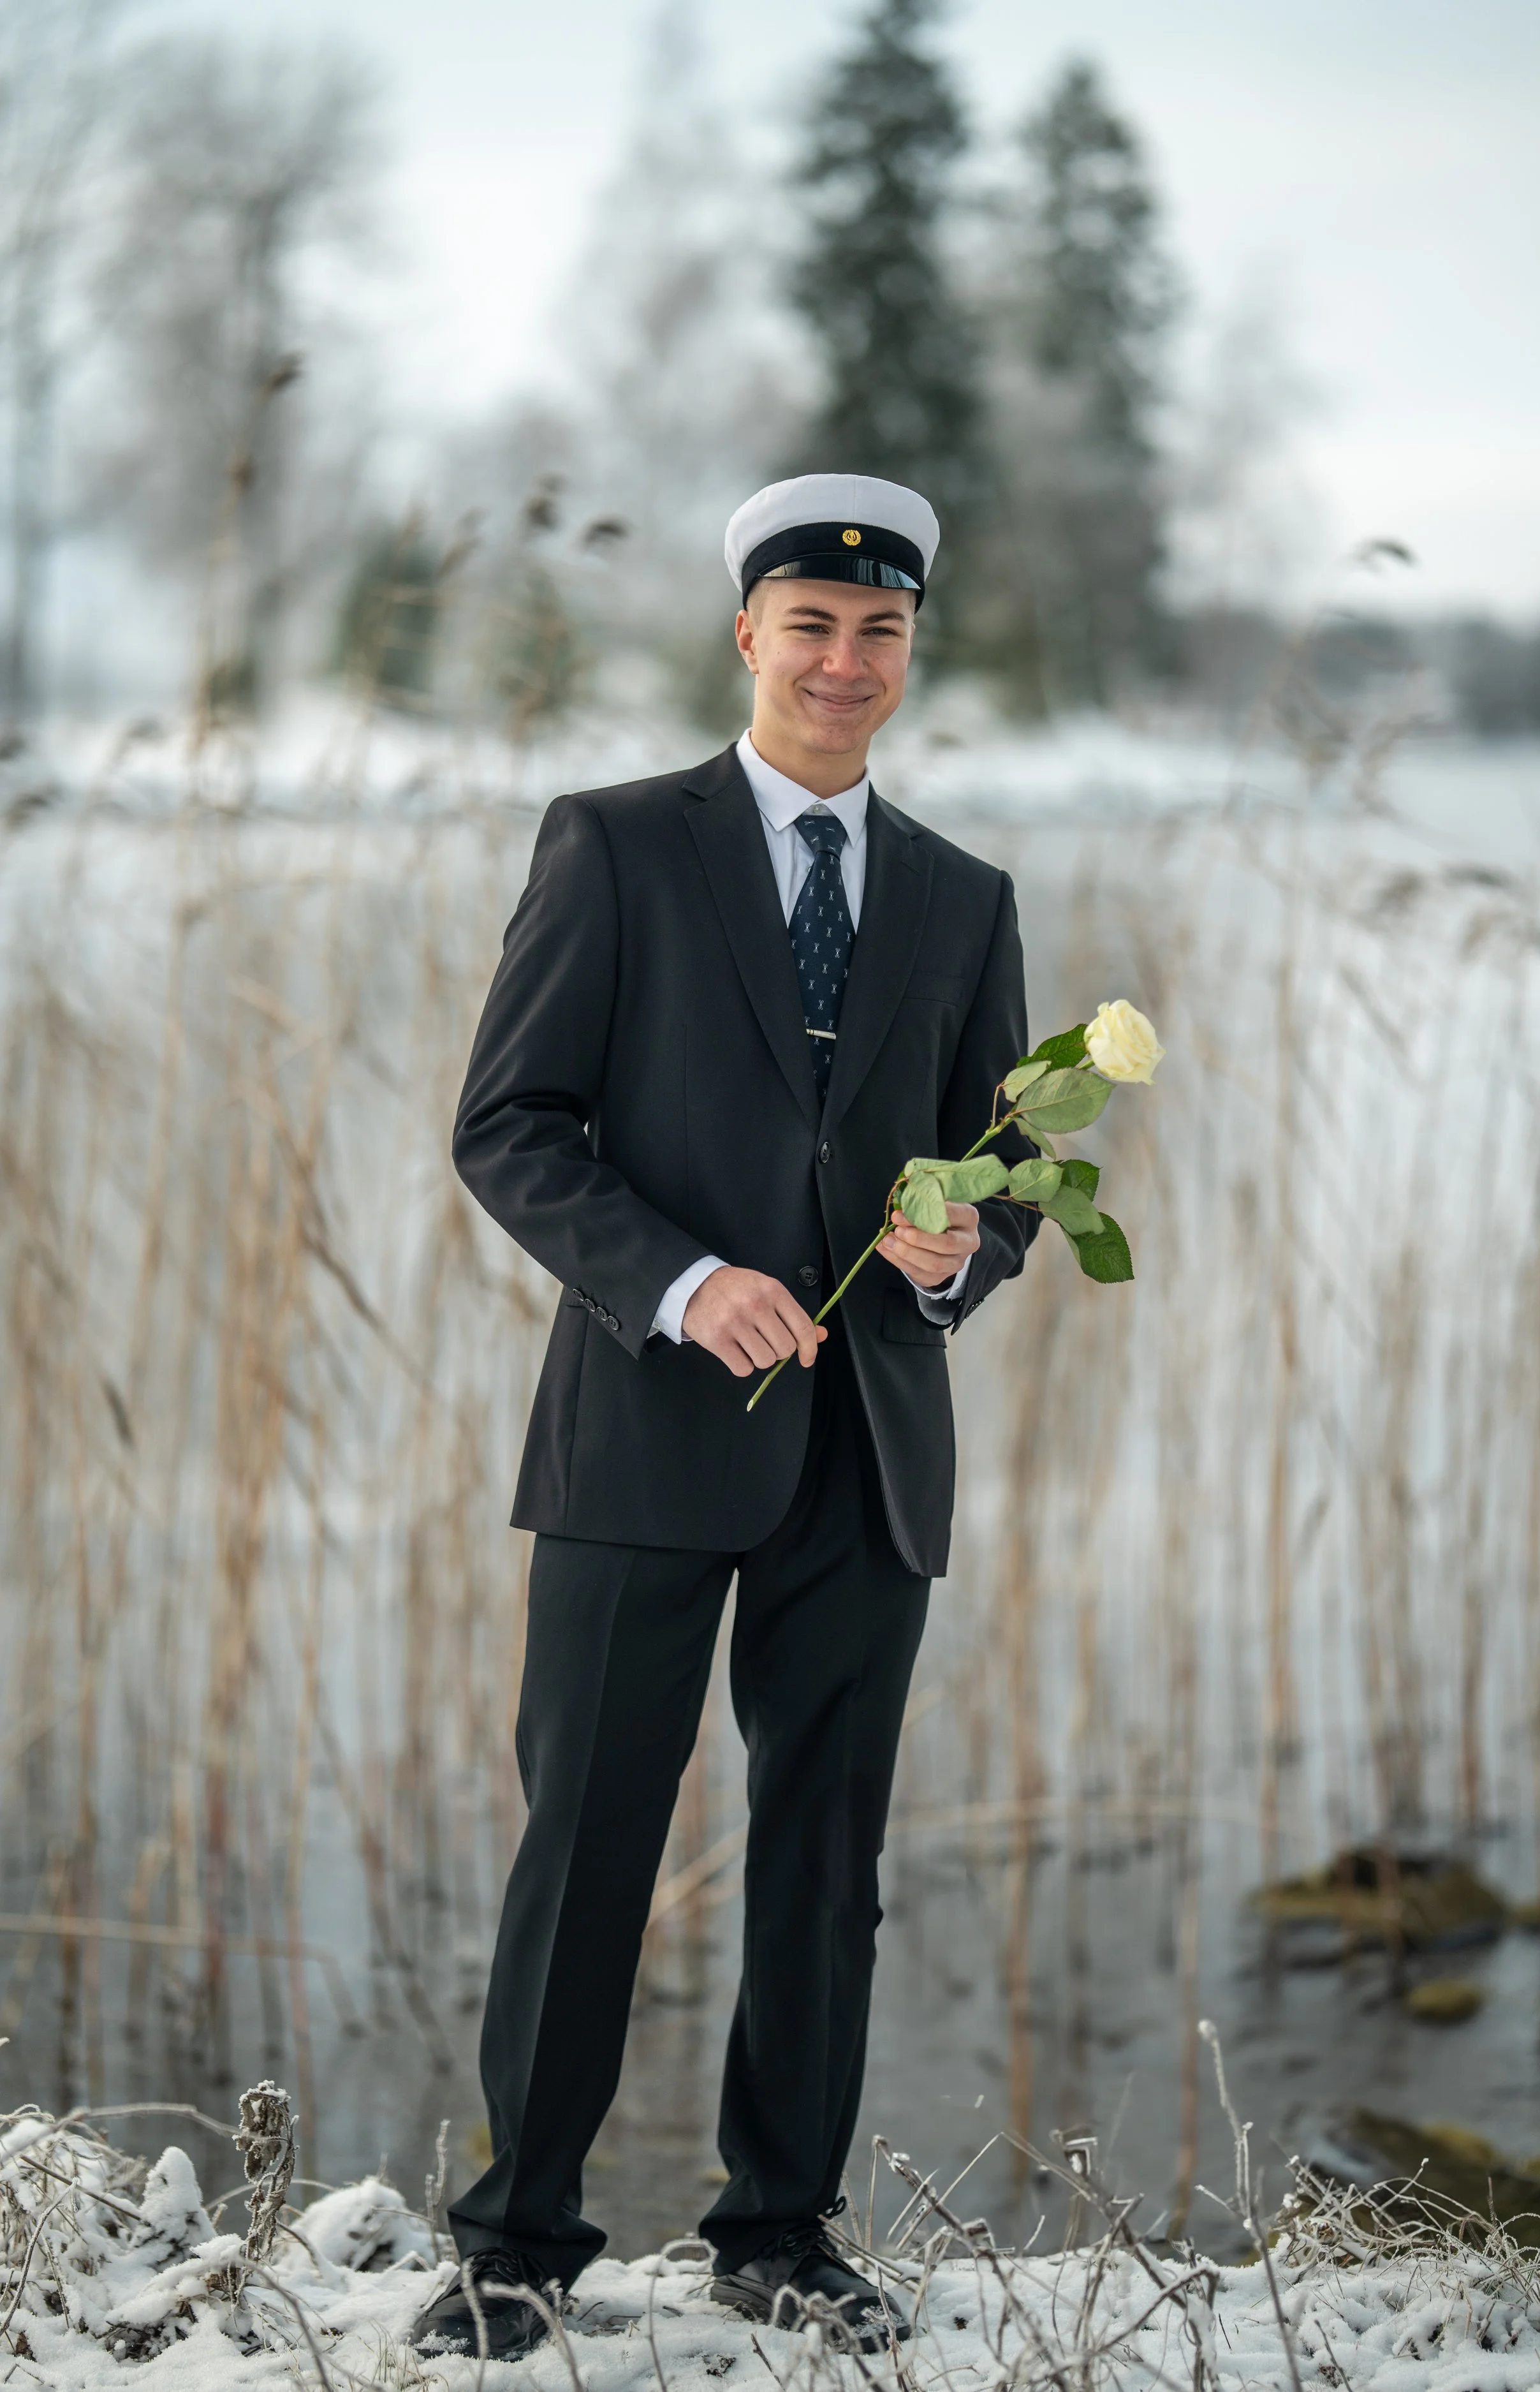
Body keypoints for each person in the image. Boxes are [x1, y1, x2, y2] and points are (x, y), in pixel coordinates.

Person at [412, 473, 1037, 2361]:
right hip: (643, 1439)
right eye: (811, 625)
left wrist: (949, 1250)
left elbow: (1001, 1176)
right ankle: (517, 2239)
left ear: (909, 652)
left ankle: (778, 2229)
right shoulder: (613, 845)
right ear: (746, 635)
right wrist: (681, 1282)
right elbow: (509, 1127)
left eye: (881, 631)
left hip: (866, 1456)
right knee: (588, 1839)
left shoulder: (961, 895)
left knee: (822, 1858)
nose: (846, 661)